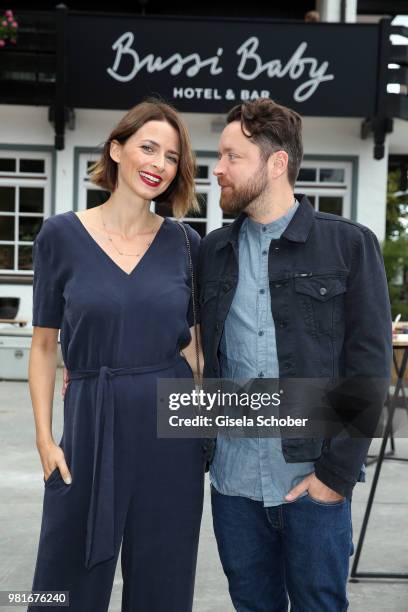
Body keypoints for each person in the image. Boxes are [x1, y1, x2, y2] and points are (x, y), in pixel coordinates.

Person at [197, 98, 392, 611]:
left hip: (313, 483)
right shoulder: (210, 252)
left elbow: (369, 372)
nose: (217, 169)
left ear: (276, 163)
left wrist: (335, 477)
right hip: (234, 485)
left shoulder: (349, 246)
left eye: (232, 156)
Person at [27, 99, 206, 612]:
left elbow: (197, 352)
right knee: (62, 582)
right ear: (117, 149)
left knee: (164, 579)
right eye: (148, 147)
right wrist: (44, 439)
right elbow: (43, 347)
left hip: (171, 431)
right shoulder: (60, 235)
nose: (158, 164)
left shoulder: (186, 243)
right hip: (89, 421)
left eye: (172, 157)